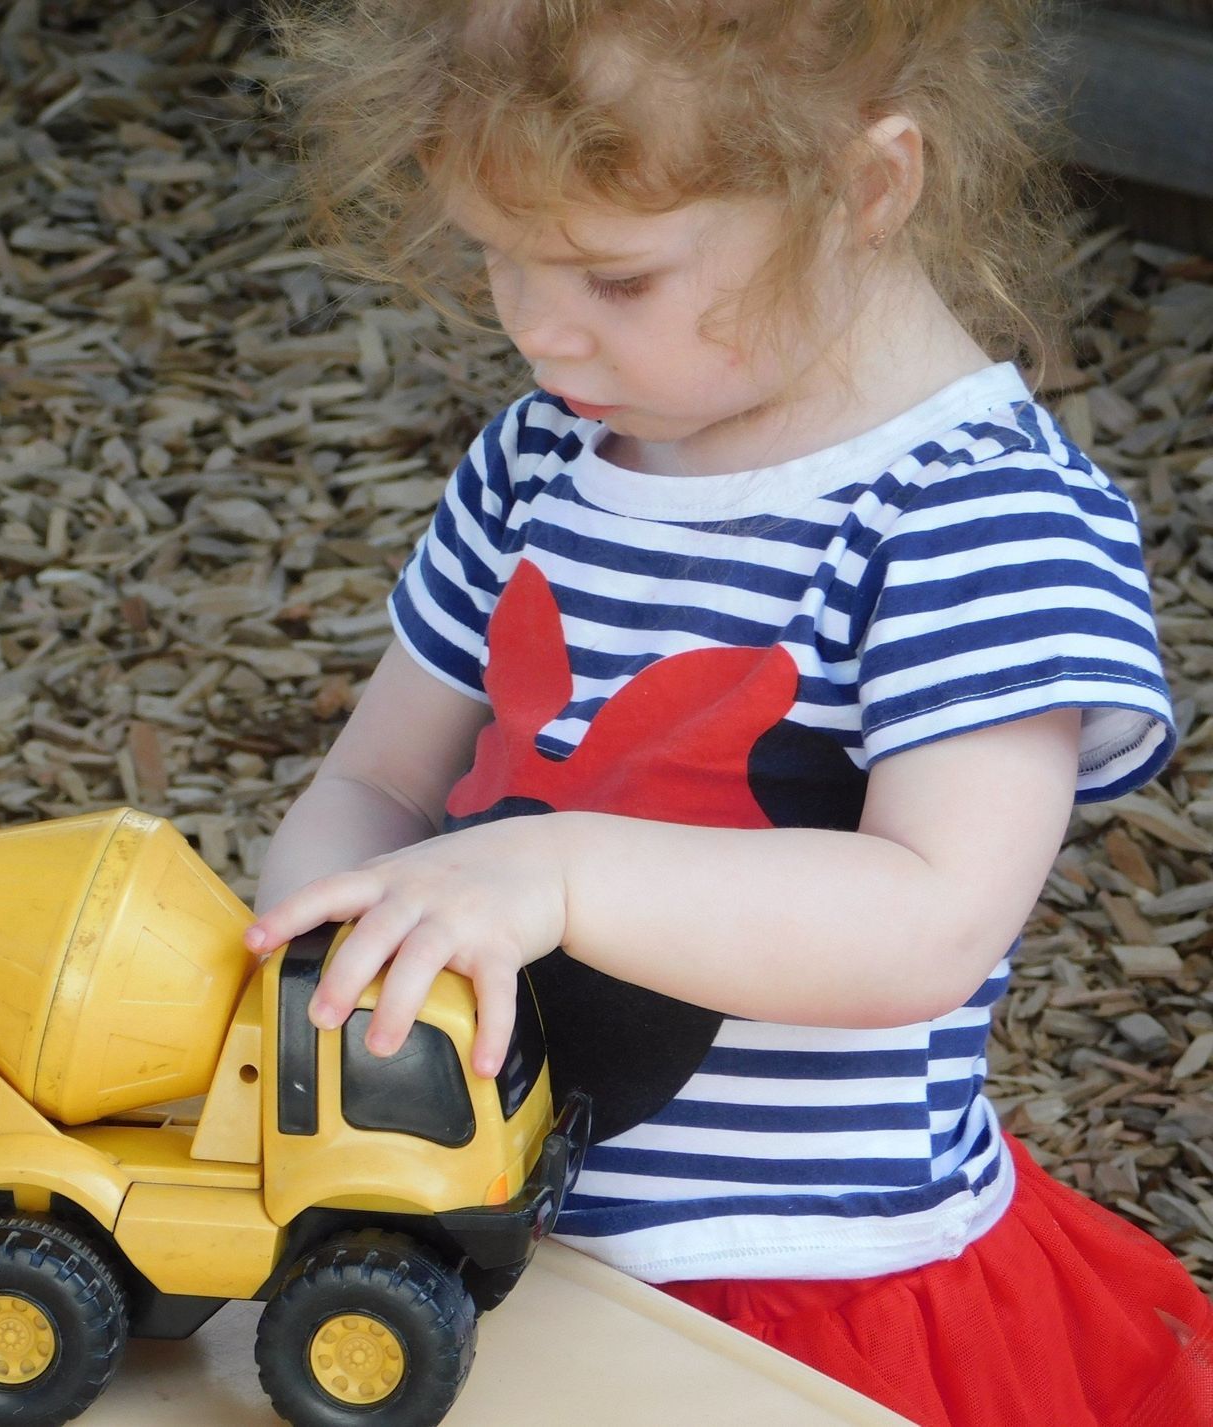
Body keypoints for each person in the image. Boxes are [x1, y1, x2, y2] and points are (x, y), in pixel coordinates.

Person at [244, 2, 1213, 1422]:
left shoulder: (973, 519)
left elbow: (930, 919)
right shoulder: (545, 460)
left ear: (867, 189)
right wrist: (325, 964)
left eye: (616, 277)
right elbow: (379, 787)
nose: (535, 323)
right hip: (448, 1230)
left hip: (791, 1295)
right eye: (496, 254)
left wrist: (555, 872)